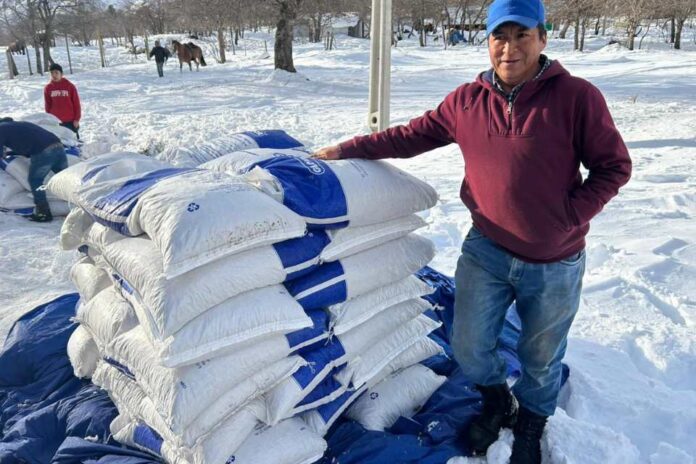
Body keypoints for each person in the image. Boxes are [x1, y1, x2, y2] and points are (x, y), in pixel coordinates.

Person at [313, 0, 631, 462]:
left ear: (542, 38)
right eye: (500, 36)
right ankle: (496, 399)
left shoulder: (577, 97)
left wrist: (570, 214)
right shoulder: (466, 101)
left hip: (555, 259)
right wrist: (346, 149)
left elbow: (614, 166)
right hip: (487, 248)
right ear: (487, 43)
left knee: (541, 356)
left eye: (522, 35)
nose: (510, 48)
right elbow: (409, 136)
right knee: (468, 344)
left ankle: (530, 423)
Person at [0, 118, 68, 222]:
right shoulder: (20, 125)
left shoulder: (1, 129)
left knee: (35, 181)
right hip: (58, 146)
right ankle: (79, 204)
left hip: (44, 152)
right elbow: (27, 142)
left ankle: (43, 212)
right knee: (65, 178)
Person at [44, 63, 82, 139]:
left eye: (56, 73)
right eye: (52, 73)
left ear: (61, 74)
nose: (54, 75)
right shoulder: (48, 88)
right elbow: (47, 105)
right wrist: (49, 119)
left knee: (72, 142)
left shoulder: (70, 86)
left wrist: (76, 119)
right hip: (55, 122)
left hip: (70, 121)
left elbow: (76, 104)